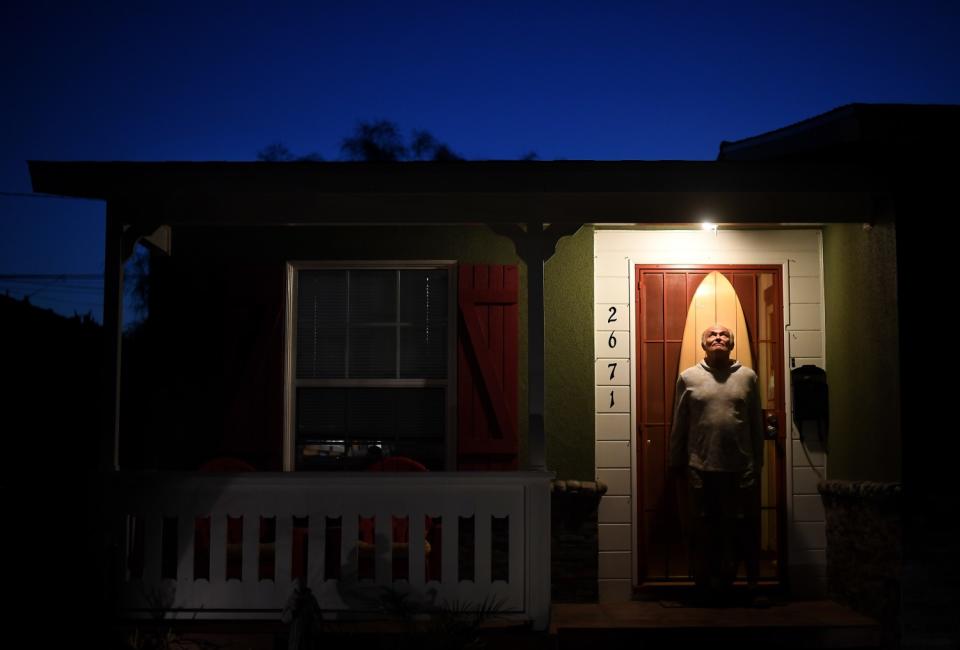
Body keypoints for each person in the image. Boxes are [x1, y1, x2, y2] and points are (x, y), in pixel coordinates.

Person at [669, 324, 764, 606]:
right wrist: (676, 461)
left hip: (739, 467)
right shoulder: (688, 378)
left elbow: (756, 425)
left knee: (742, 527)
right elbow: (679, 424)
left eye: (724, 335)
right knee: (702, 528)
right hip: (700, 466)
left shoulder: (748, 377)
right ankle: (704, 586)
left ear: (732, 344)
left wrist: (756, 463)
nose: (719, 338)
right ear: (704, 344)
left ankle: (749, 585)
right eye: (712, 335)